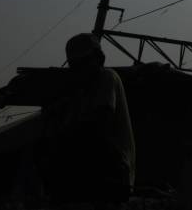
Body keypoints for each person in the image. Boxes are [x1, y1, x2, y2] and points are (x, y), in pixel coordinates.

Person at [38, 33, 135, 204]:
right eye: (75, 65)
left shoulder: (107, 78)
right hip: (96, 173)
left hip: (111, 173)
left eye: (83, 63)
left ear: (99, 59)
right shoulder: (82, 91)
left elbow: (98, 125)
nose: (79, 69)